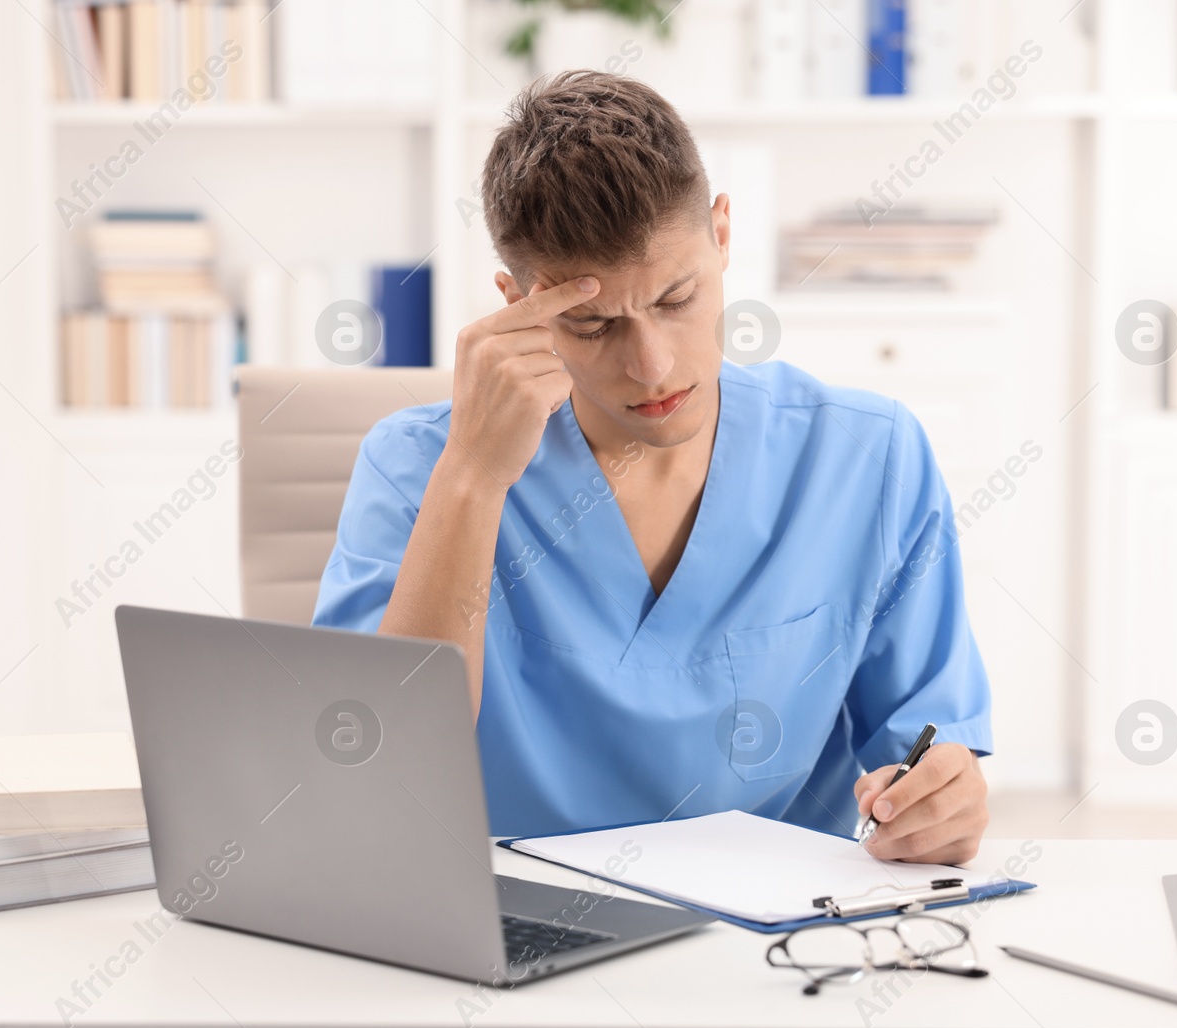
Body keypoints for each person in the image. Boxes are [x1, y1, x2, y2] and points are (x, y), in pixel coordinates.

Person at [314, 71, 991, 864]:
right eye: (592, 323)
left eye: (675, 298)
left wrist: (943, 802)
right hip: (512, 936)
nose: (652, 365)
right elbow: (380, 775)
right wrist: (472, 478)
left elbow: (928, 752)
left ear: (723, 235)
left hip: (770, 950)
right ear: (513, 304)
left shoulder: (868, 457)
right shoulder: (417, 467)